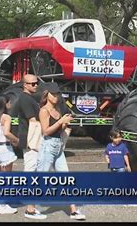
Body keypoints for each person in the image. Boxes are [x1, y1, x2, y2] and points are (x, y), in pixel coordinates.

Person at [37, 84, 86, 220]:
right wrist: (60, 122)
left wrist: (66, 122)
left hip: (59, 145)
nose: (56, 97)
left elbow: (60, 128)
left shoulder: (58, 109)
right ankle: (31, 209)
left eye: (58, 94)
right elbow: (45, 131)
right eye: (53, 94)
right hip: (48, 145)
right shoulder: (44, 110)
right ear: (47, 95)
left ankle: (73, 210)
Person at [12, 74, 47, 220]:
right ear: (24, 85)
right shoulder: (25, 99)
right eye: (32, 84)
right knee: (31, 173)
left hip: (31, 140)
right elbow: (33, 121)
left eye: (36, 83)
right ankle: (30, 209)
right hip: (31, 140)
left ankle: (32, 205)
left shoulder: (29, 97)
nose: (35, 85)